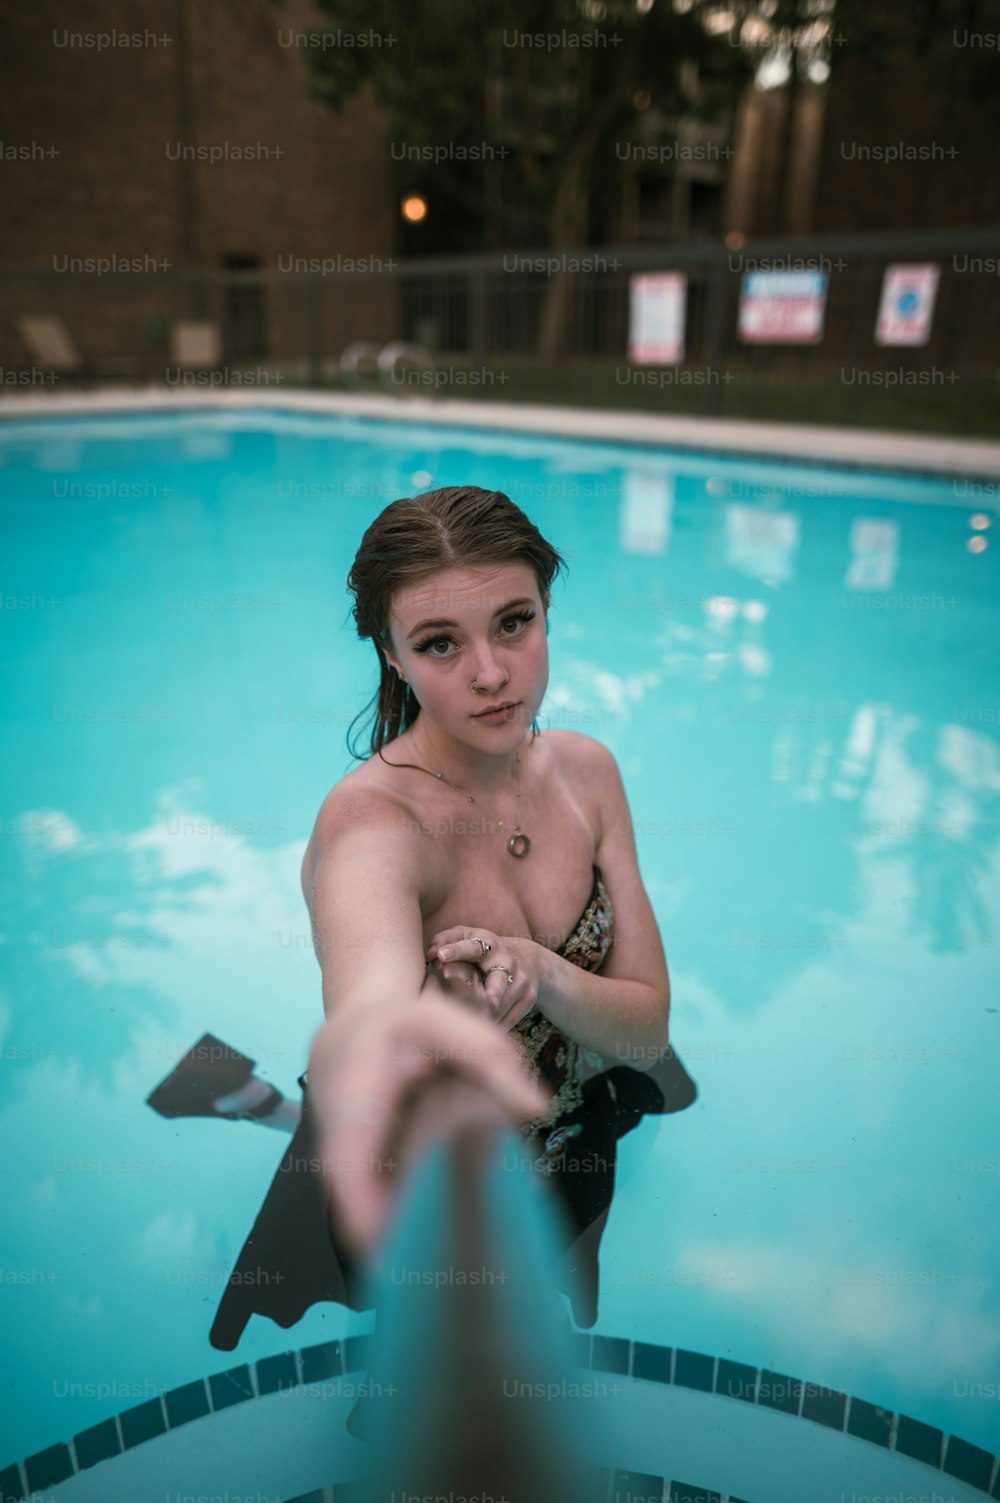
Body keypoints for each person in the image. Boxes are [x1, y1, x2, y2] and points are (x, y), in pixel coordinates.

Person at [207, 484, 697, 1367]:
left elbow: (651, 1023)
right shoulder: (375, 829)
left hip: (569, 1129)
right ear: (391, 656)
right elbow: (368, 1027)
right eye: (440, 643)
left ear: (548, 609)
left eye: (514, 622)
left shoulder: (587, 774)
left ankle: (240, 1096)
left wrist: (541, 973)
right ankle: (246, 1098)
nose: (490, 672)